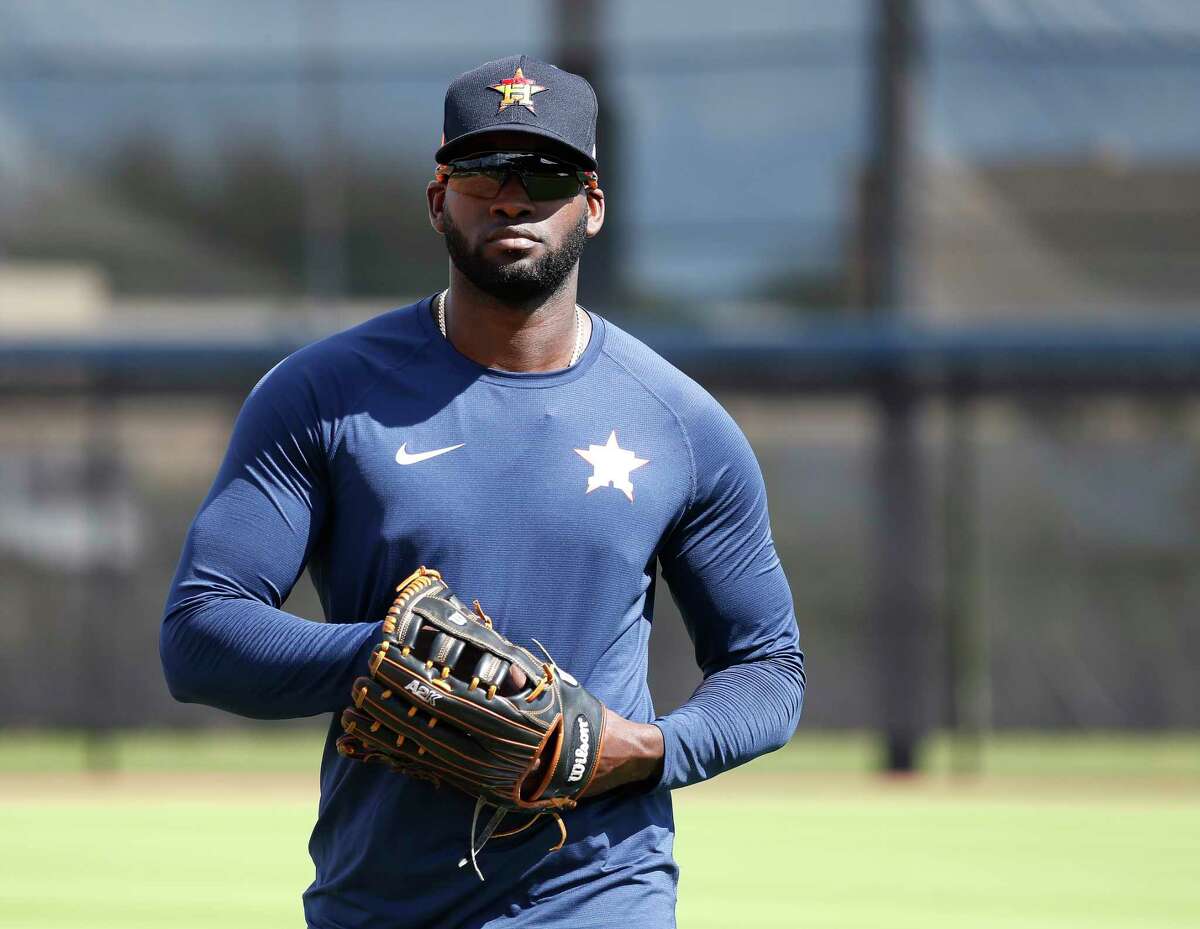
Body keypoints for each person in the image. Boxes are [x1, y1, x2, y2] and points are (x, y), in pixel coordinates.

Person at [161, 54, 805, 929]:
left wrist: (644, 749)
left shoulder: (680, 424)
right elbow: (200, 632)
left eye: (544, 174)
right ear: (439, 198)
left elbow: (768, 668)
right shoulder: (320, 395)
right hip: (382, 901)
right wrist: (386, 660)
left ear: (594, 204)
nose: (511, 198)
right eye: (480, 171)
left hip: (598, 894)